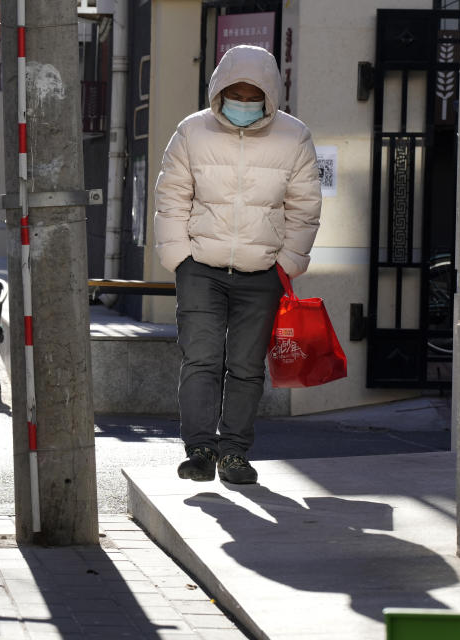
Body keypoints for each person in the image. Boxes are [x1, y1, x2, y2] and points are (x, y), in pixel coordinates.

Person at [154, 45, 321, 485]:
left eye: (252, 95)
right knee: (201, 359)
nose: (243, 102)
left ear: (269, 94)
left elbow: (305, 207)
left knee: (247, 367)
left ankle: (234, 453)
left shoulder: (295, 136)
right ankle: (200, 449)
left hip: (262, 272)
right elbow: (172, 197)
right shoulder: (191, 131)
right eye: (235, 93)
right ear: (218, 90)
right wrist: (178, 258)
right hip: (200, 268)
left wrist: (286, 263)